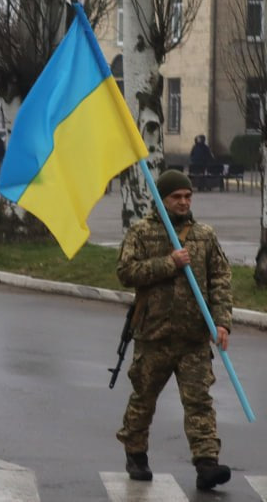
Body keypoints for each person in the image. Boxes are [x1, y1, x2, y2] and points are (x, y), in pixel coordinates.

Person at [115, 170, 233, 490]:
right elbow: (126, 272)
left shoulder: (204, 236)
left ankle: (206, 462)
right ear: (162, 199)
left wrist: (222, 322)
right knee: (144, 398)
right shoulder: (142, 232)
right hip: (154, 335)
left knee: (199, 402)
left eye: (187, 196)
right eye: (175, 197)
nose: (183, 202)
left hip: (193, 337)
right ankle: (136, 452)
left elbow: (220, 280)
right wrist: (169, 263)